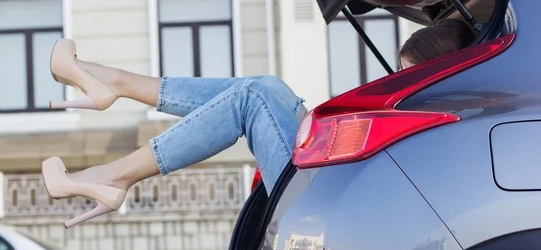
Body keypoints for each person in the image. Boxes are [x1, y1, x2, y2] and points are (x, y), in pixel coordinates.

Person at [42, 18, 476, 228]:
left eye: (409, 75)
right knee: (263, 86)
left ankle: (114, 171)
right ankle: (112, 82)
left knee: (254, 95)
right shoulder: (432, 120)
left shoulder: (445, 127)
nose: (399, 84)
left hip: (330, 208)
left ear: (439, 75)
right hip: (330, 191)